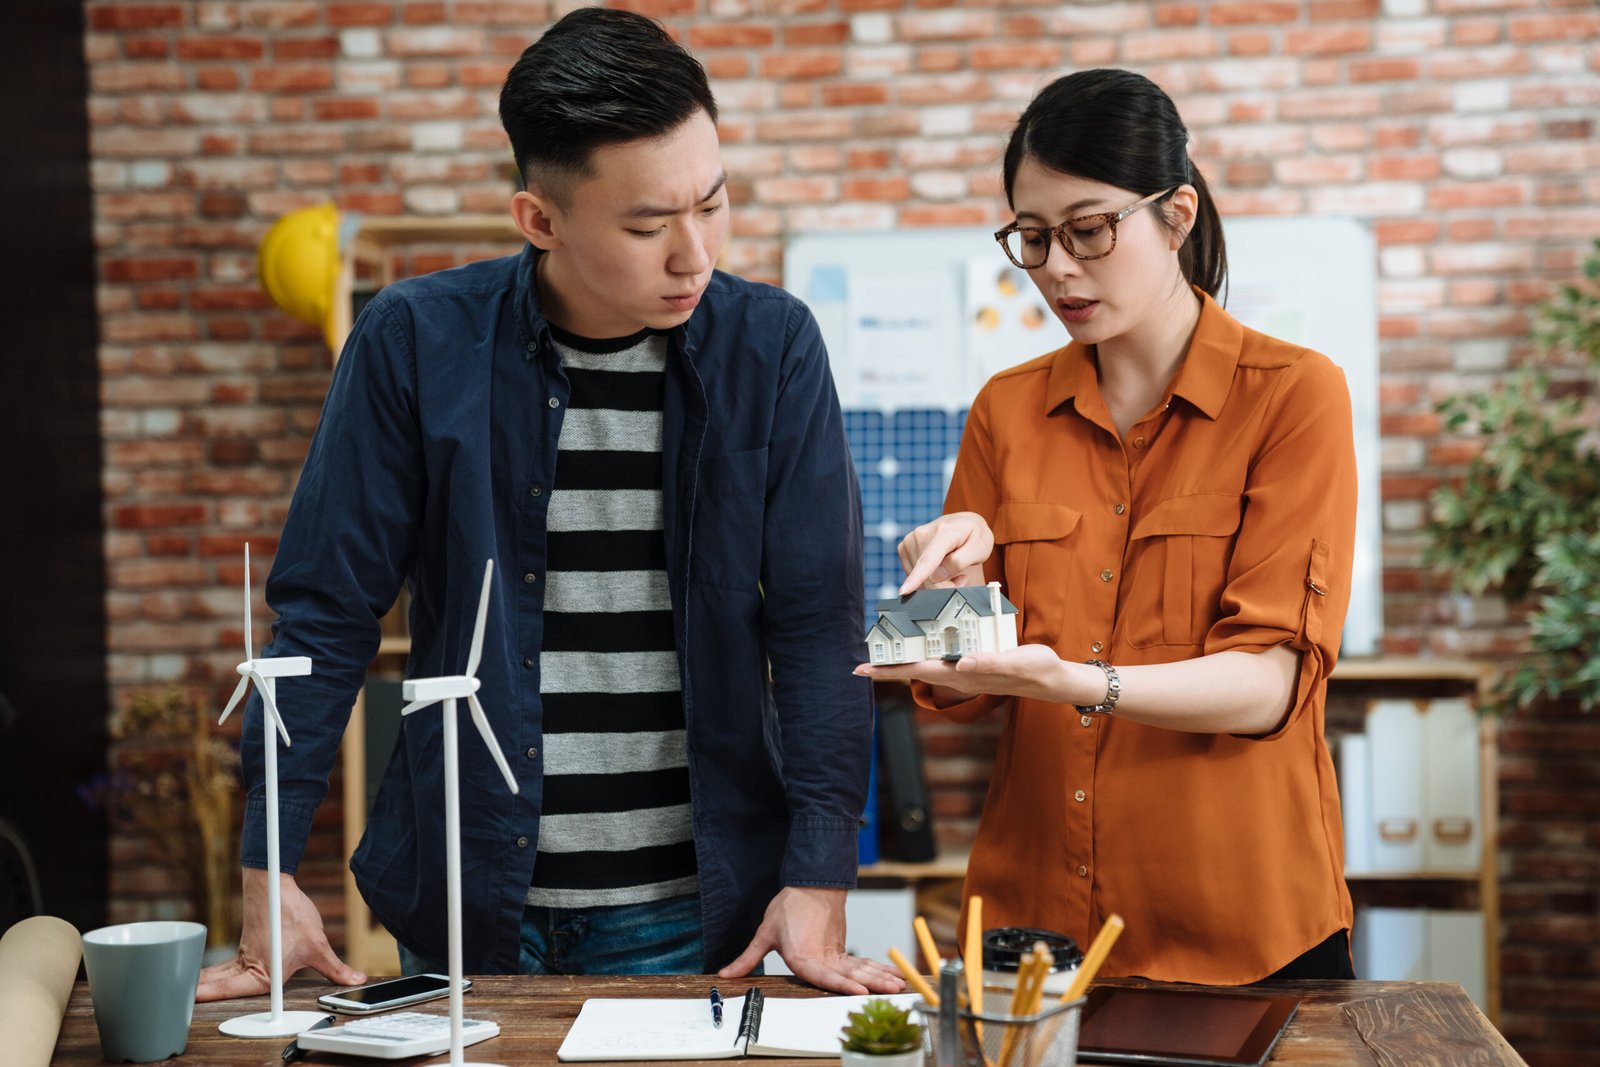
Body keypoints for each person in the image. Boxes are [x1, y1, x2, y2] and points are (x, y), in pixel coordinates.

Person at [198, 7, 901, 999]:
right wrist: (266, 863)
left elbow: (820, 628)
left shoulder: (772, 348)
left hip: (692, 903)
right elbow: (325, 613)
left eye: (713, 204)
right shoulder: (412, 342)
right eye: (650, 225)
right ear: (540, 219)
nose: (694, 253)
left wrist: (819, 872)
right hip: (469, 889)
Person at [857, 68, 1359, 984]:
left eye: (1089, 229)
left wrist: (1081, 681)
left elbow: (1268, 685)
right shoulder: (1004, 412)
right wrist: (950, 588)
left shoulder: (1293, 395)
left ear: (1178, 214)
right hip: (1032, 925)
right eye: (1033, 237)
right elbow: (956, 682)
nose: (1057, 266)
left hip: (1238, 928)